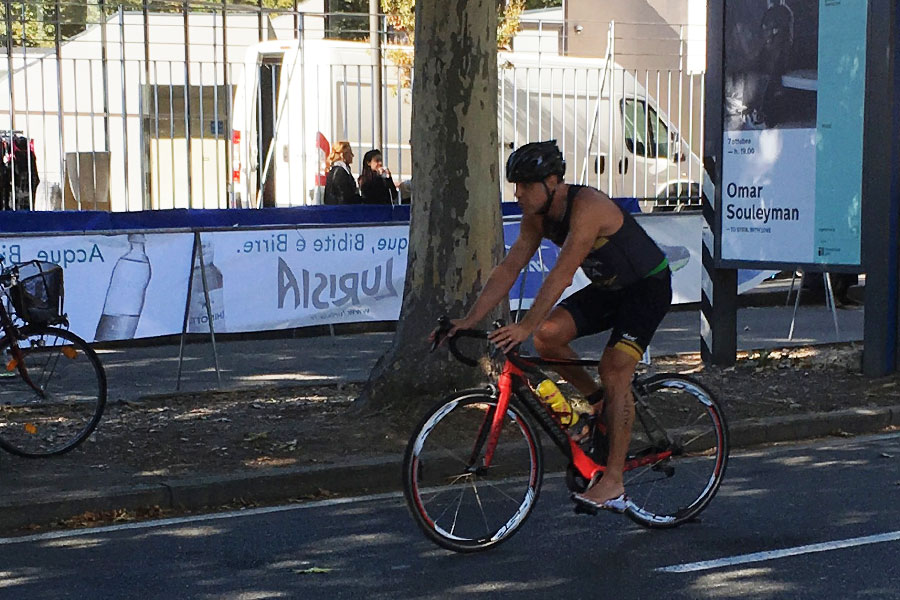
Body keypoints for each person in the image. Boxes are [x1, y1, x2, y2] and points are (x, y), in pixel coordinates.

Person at [435, 140, 672, 513]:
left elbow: (561, 274)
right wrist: (469, 319)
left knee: (614, 369)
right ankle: (597, 404)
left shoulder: (588, 207)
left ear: (552, 182)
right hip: (610, 291)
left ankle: (613, 482)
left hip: (647, 290)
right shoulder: (537, 217)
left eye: (526, 186)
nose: (518, 194)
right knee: (549, 336)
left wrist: (525, 325)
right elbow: (509, 268)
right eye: (515, 185)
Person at [324, 141, 361, 205]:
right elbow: (344, 196)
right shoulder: (340, 172)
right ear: (342, 154)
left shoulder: (337, 170)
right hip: (341, 211)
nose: (352, 155)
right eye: (350, 153)